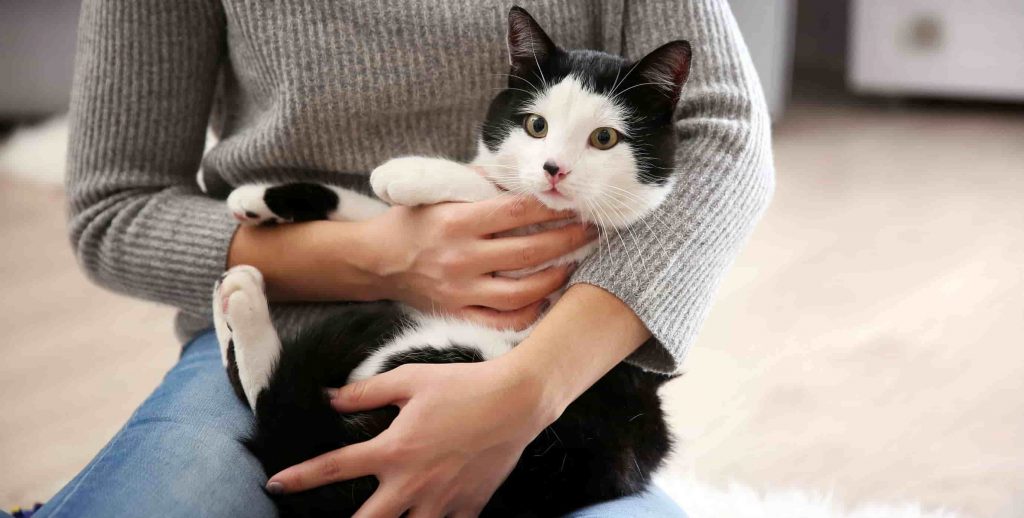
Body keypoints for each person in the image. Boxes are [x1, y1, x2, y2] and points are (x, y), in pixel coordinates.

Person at [38, 1, 773, 516]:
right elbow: (115, 212)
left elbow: (727, 134)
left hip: (565, 362)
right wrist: (382, 256)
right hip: (297, 328)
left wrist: (528, 387)